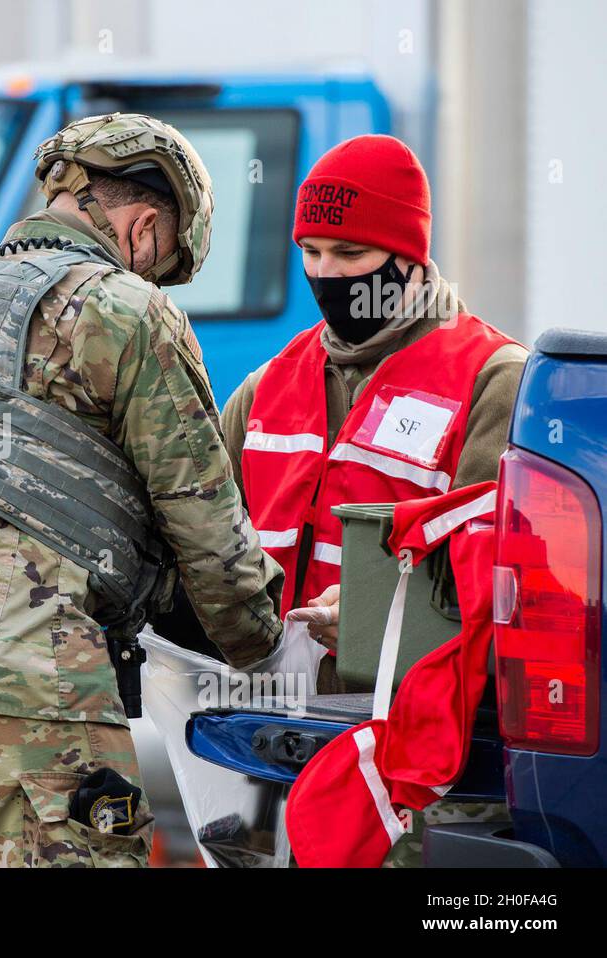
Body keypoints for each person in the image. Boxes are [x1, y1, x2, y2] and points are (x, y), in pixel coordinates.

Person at [0, 113, 283, 867]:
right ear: (143, 227)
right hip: (28, 691)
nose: (153, 279)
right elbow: (206, 532)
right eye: (161, 261)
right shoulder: (128, 312)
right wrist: (266, 653)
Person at [220, 133, 527, 866]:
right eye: (311, 252)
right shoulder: (267, 388)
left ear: (409, 254)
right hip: (273, 739)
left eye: (350, 255)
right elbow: (199, 533)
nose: (326, 275)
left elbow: (490, 571)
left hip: (416, 754)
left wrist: (363, 621)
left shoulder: (492, 378)